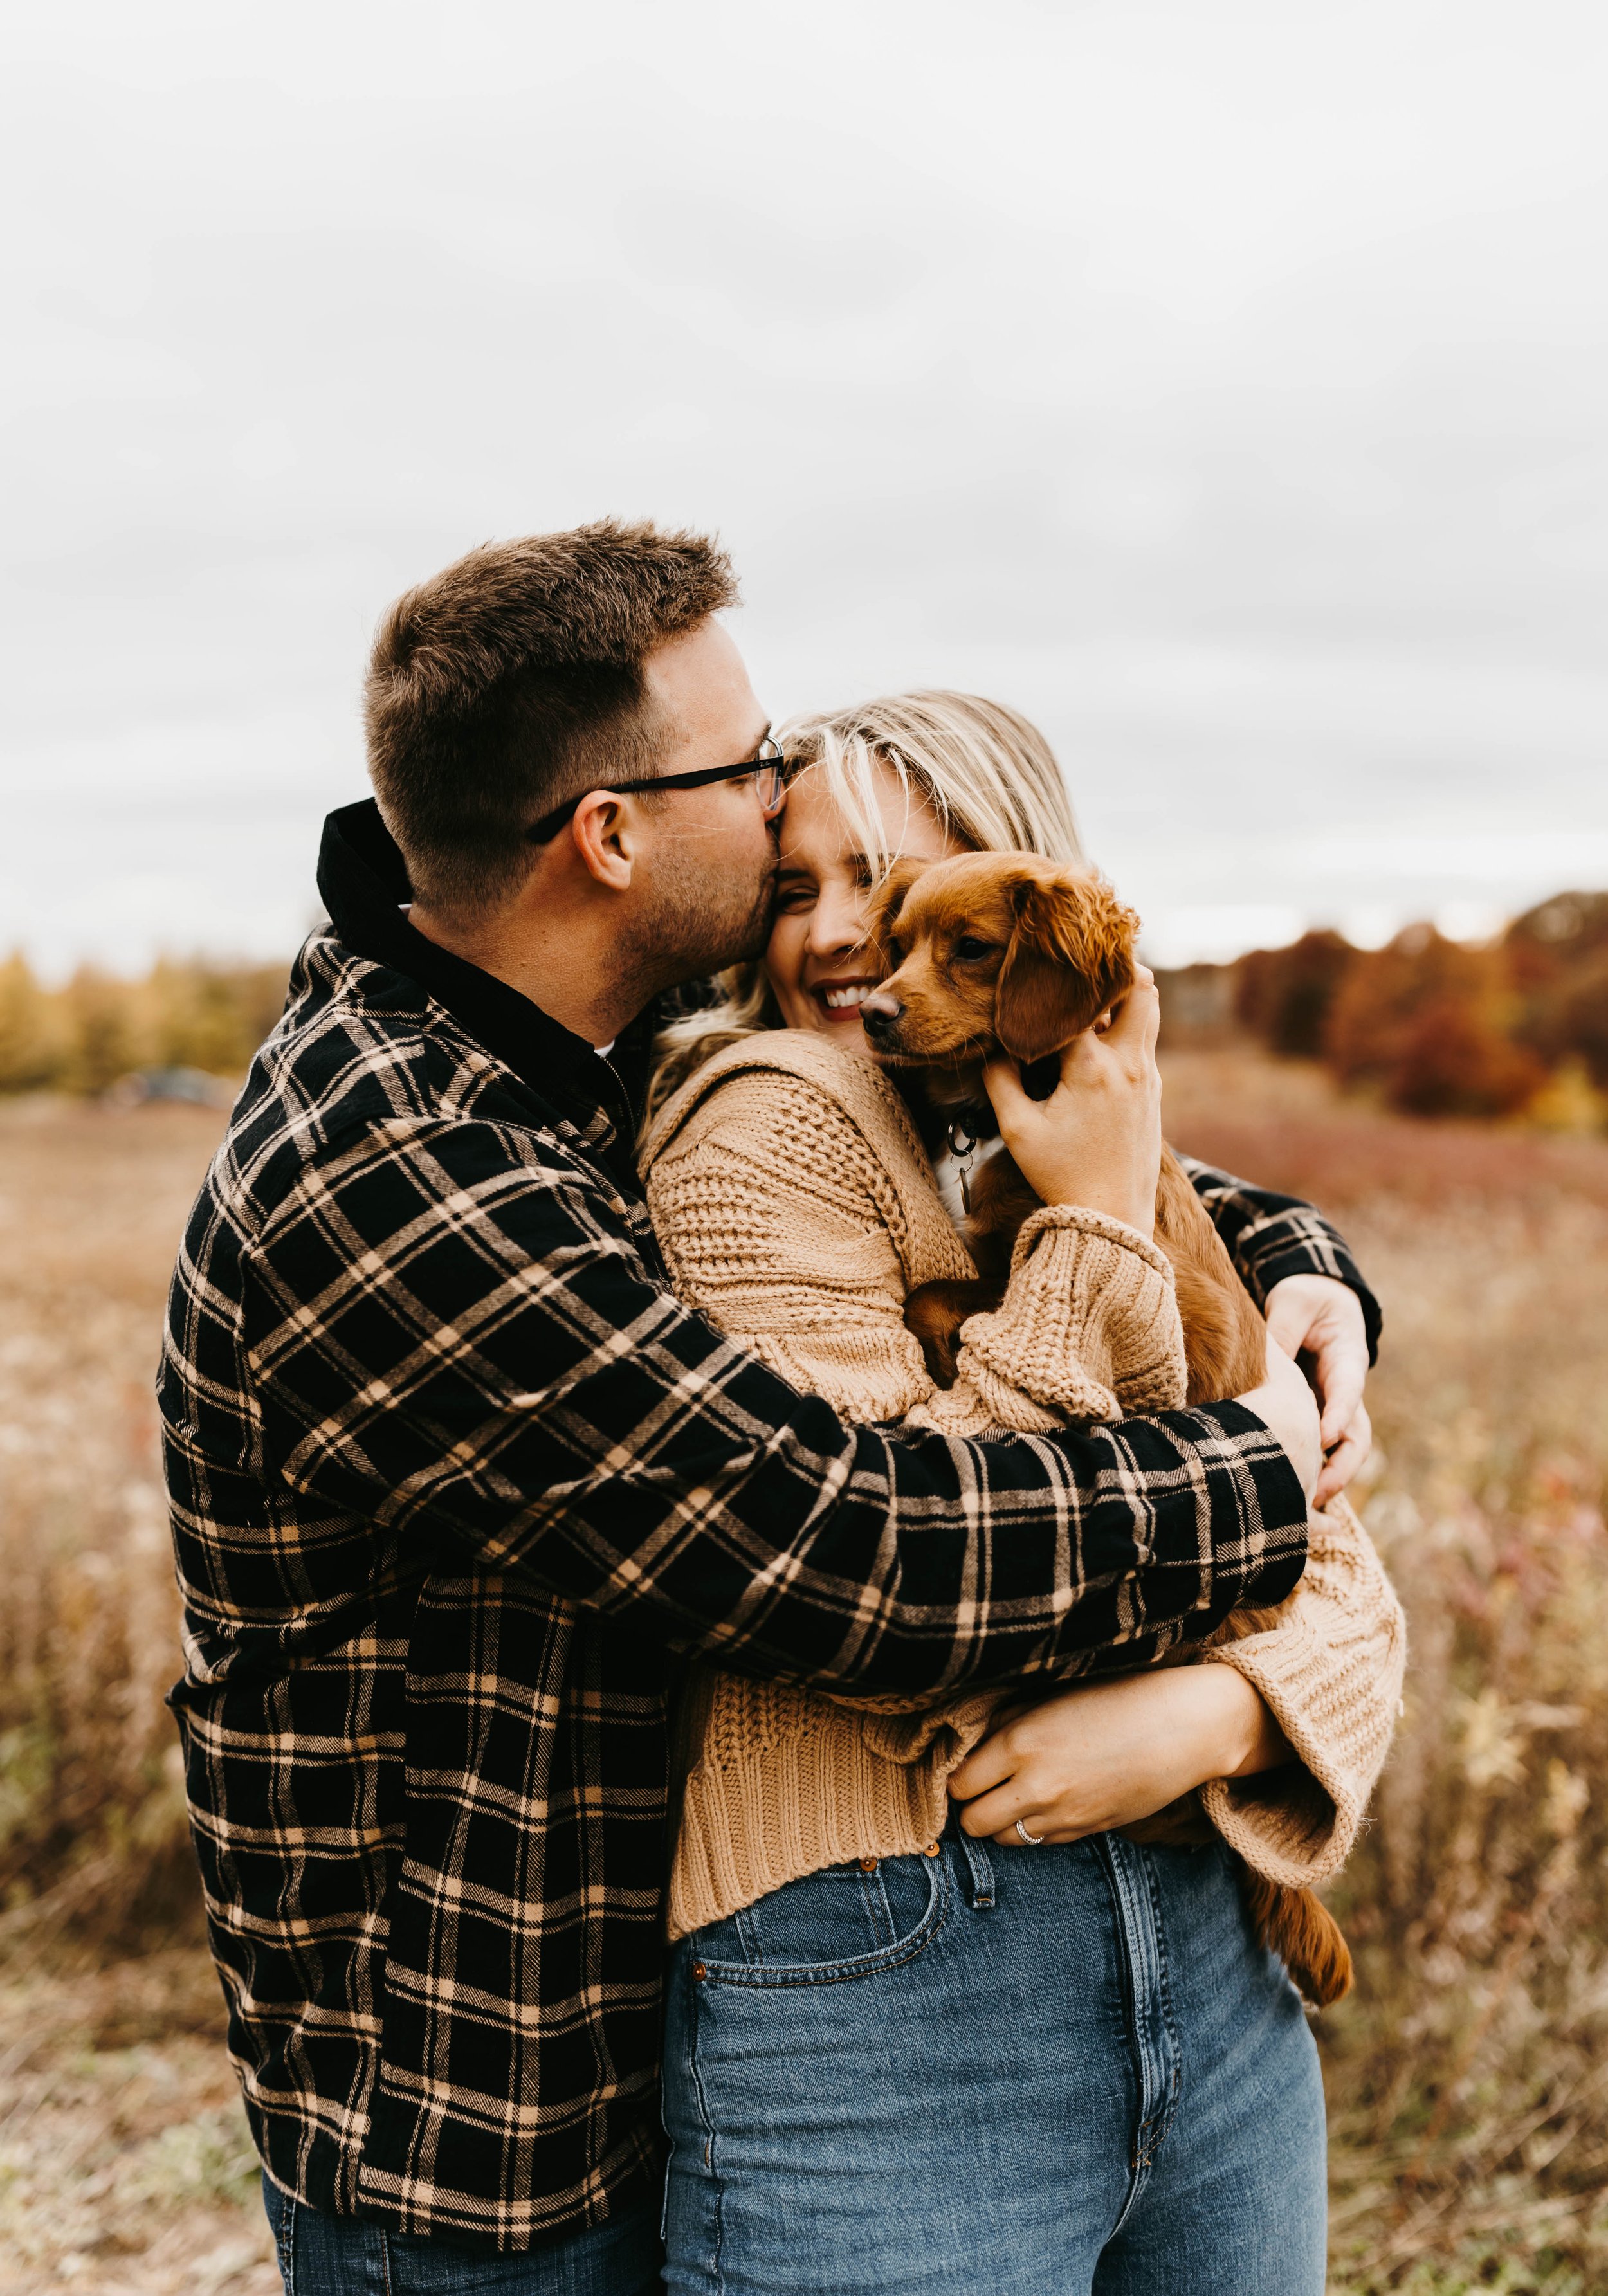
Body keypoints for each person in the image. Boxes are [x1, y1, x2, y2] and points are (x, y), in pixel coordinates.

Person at [160, 523, 1337, 2294]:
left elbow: (1012, 1165)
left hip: (686, 2039)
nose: (784, 789)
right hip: (492, 2131)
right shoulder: (392, 1168)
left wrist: (1304, 1265)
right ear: (610, 834)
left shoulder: (576, 1045)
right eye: (755, 760)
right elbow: (848, 1549)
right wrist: (1263, 1467)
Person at [641, 691, 1403, 2295]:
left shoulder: (1053, 1136)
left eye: (898, 890)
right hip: (892, 1961)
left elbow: (1328, 1560)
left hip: (1201, 1927)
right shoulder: (760, 1124)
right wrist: (1093, 1229)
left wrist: (1221, 1720)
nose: (851, 942)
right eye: (796, 890)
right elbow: (934, 1554)